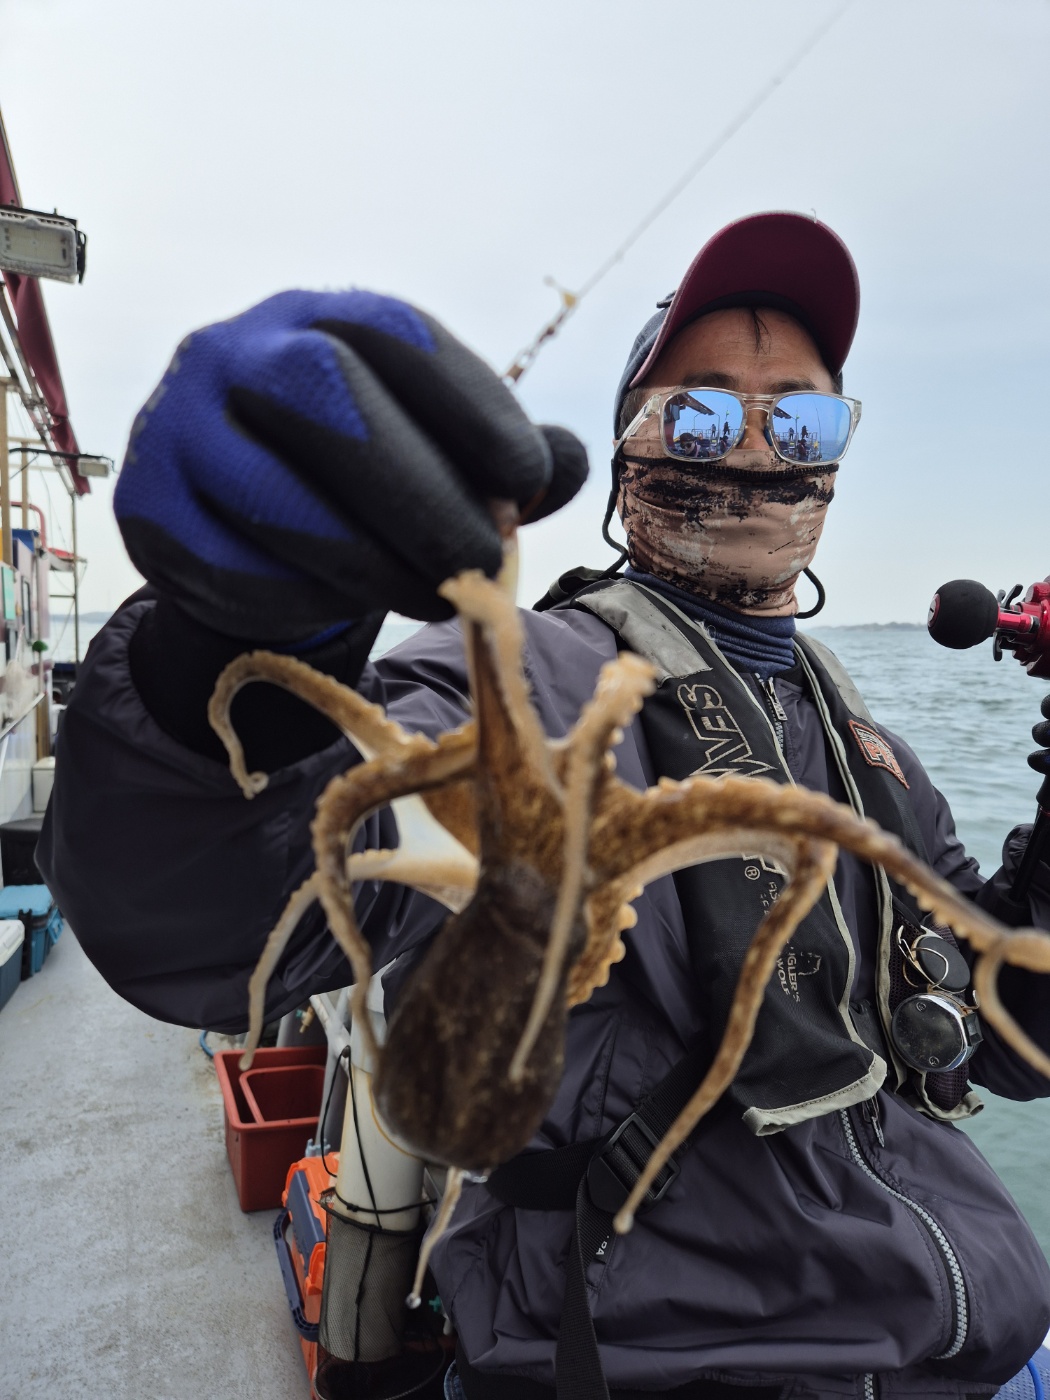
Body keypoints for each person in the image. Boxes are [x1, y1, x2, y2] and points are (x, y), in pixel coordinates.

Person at [39, 213, 1050, 1399]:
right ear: (628, 453)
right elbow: (219, 917)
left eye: (805, 413)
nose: (759, 442)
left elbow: (1008, 1032)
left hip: (973, 1338)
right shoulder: (527, 679)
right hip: (661, 1360)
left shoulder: (859, 736)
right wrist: (233, 646)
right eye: (703, 409)